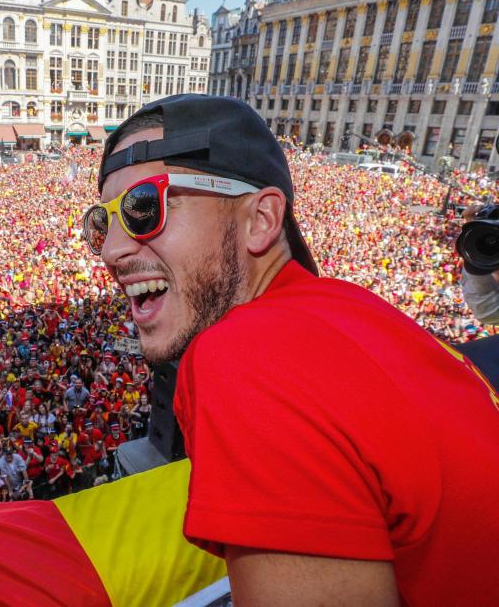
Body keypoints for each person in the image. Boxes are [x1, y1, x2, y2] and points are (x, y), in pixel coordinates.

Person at [87, 93, 499, 605]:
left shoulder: (245, 357)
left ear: (260, 220)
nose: (110, 249)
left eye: (143, 207)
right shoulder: (356, 308)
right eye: (100, 223)